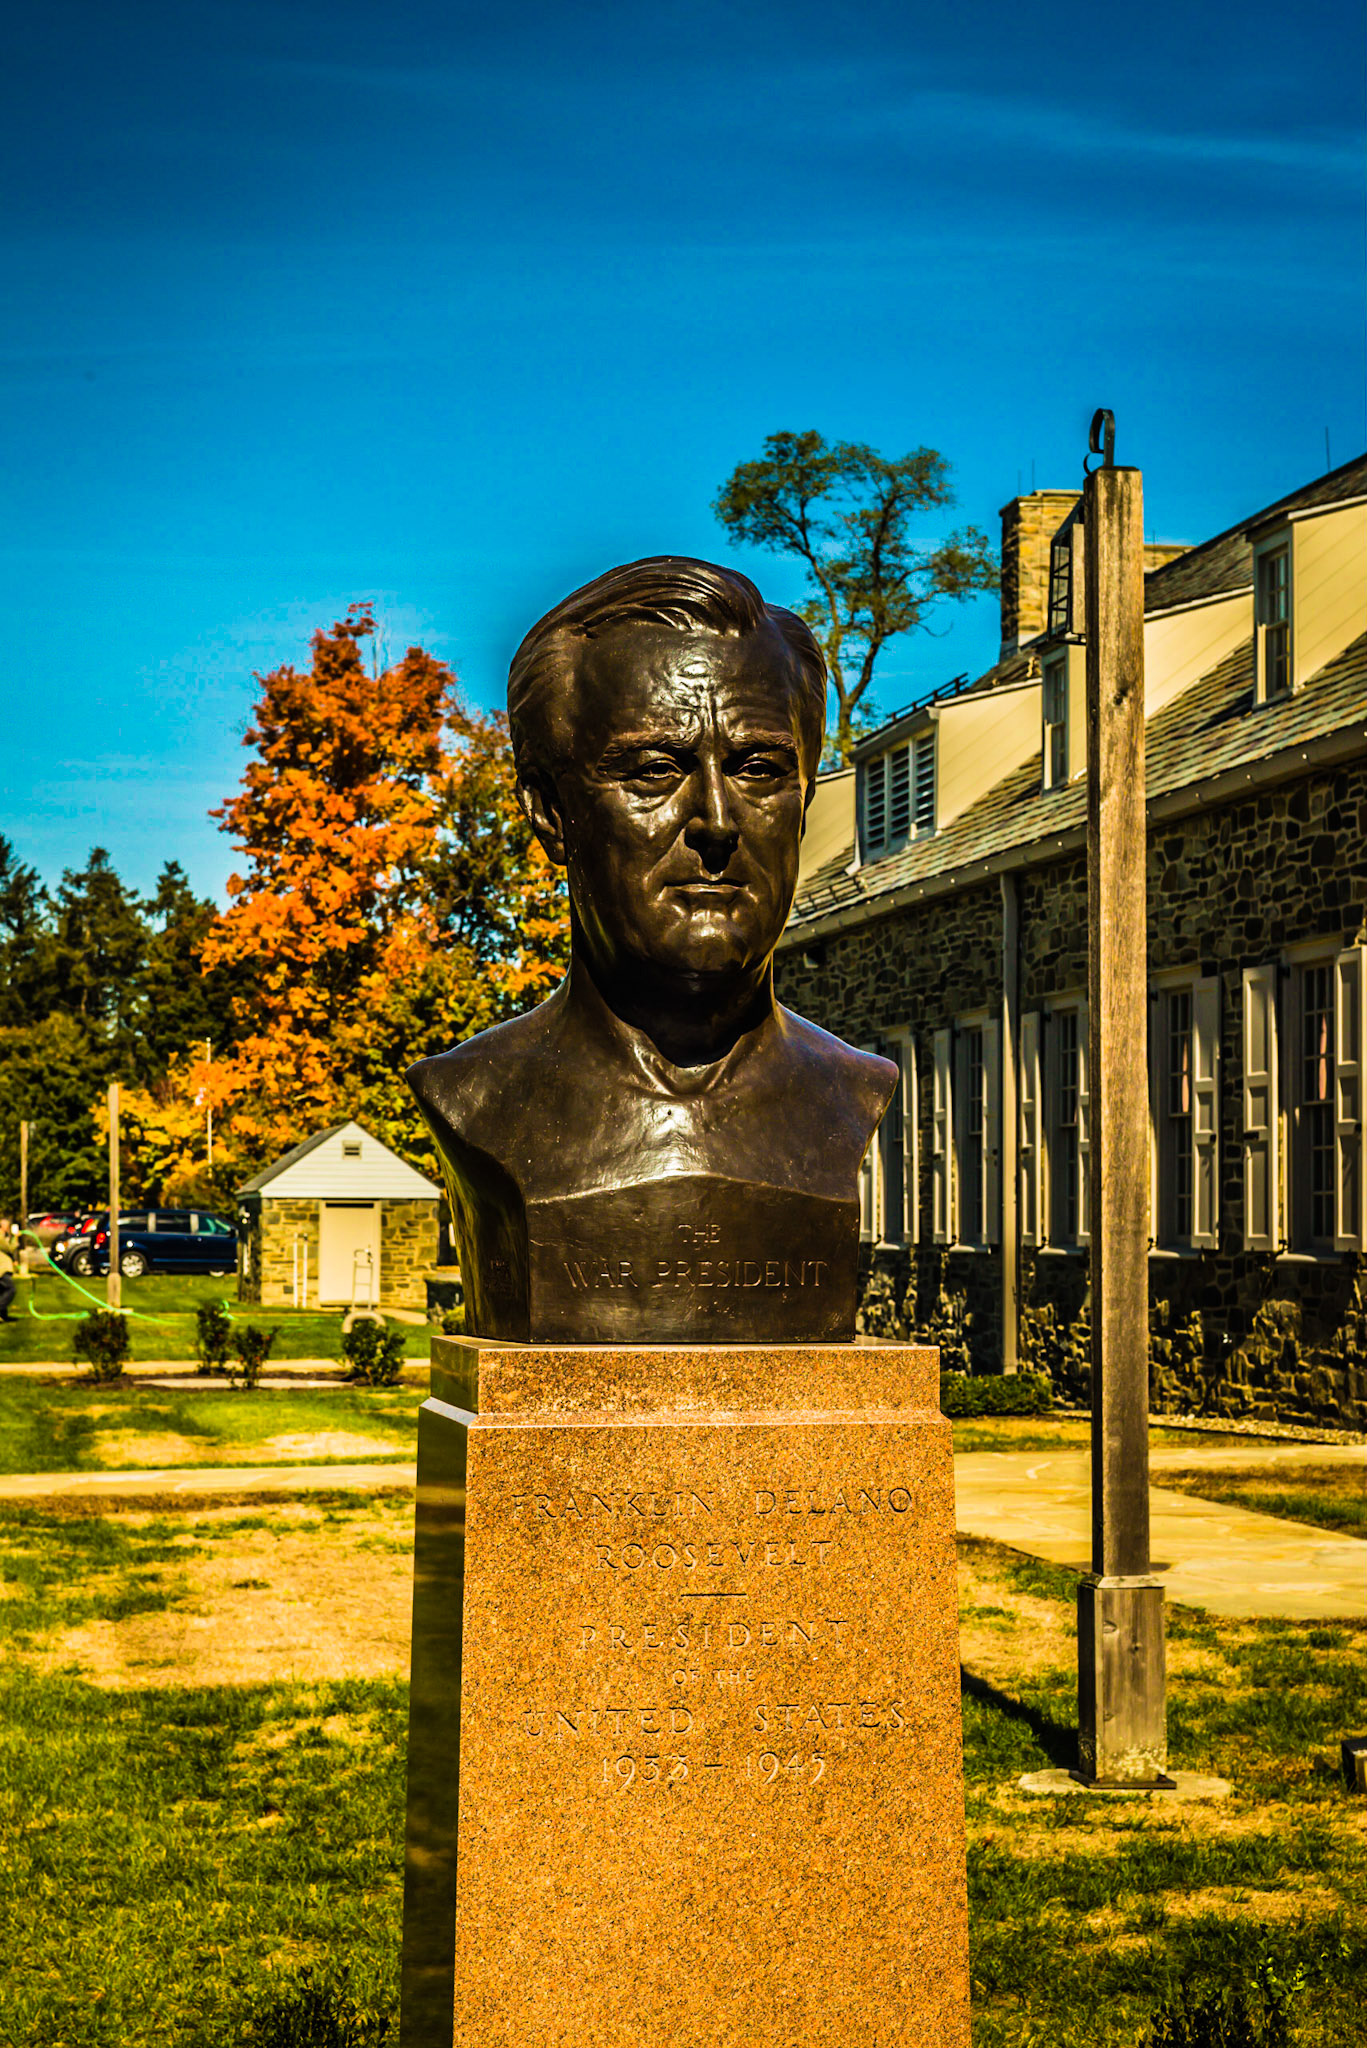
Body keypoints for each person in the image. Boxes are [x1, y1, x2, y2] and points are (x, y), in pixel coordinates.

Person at [408, 557, 895, 1344]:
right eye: (655, 770)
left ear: (803, 799)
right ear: (551, 812)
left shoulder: (852, 1093)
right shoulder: (476, 1100)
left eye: (759, 769)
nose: (714, 820)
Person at [0, 1217, 18, 1324]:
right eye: (7, 1226)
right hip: (2, 1269)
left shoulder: (3, 1237)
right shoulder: (0, 1237)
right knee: (11, 1289)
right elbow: (10, 1248)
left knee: (2, 1291)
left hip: (3, 1268)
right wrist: (15, 1237)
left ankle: (3, 1316)